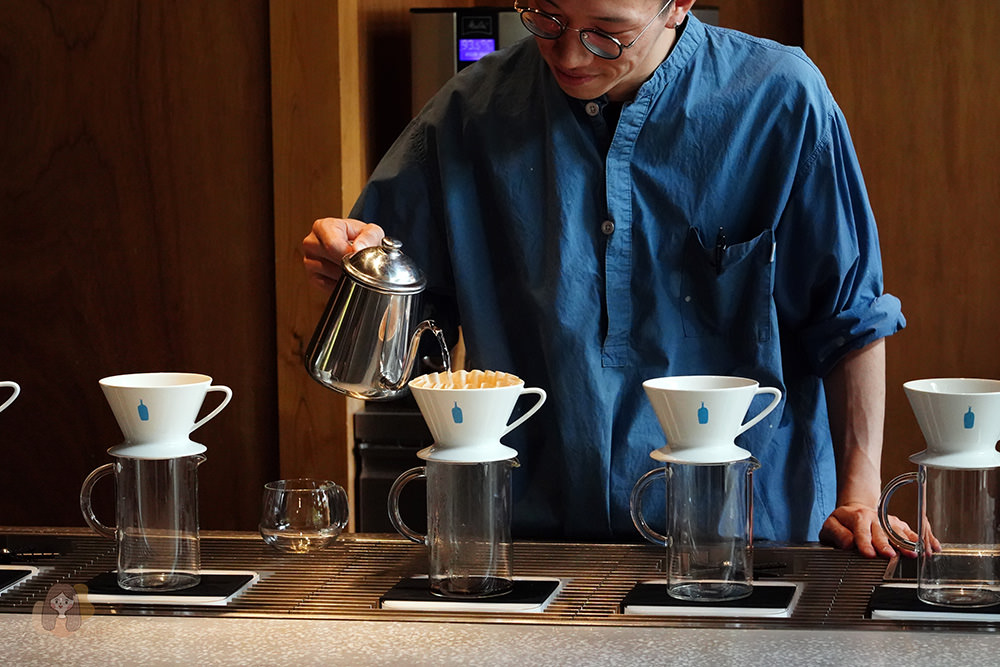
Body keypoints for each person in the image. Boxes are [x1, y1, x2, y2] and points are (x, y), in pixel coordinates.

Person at [303, 0, 917, 556]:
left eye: (607, 34)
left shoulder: (779, 98)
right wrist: (355, 267)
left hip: (743, 536)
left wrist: (861, 497)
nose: (569, 55)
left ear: (677, 6)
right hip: (533, 537)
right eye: (545, 18)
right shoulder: (468, 113)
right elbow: (406, 317)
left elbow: (849, 320)